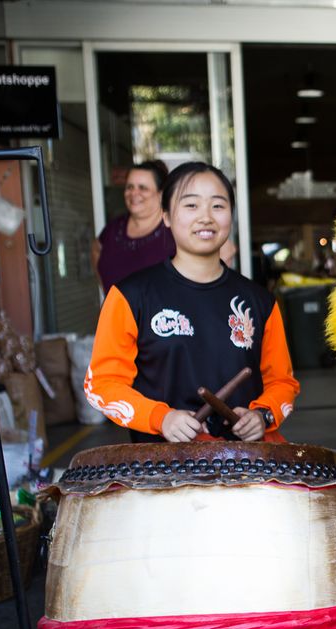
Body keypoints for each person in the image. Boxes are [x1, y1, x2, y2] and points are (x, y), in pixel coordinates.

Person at [84, 161, 299, 443]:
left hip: (245, 469)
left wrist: (263, 415)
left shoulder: (259, 301)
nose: (206, 217)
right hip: (162, 473)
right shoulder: (130, 295)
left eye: (218, 206)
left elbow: (282, 382)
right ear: (166, 216)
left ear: (230, 215)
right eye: (191, 205)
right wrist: (160, 418)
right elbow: (102, 383)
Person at [92, 161, 176, 293]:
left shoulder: (174, 230)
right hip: (116, 313)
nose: (134, 193)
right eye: (129, 187)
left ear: (161, 194)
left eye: (143, 188)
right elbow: (96, 249)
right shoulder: (114, 228)